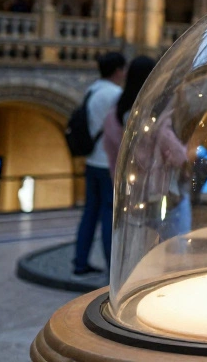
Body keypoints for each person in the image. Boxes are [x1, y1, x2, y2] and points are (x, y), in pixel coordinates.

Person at [72, 51, 126, 277]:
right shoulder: (115, 94)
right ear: (117, 71)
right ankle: (111, 267)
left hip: (92, 160)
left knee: (89, 213)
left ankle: (80, 261)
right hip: (107, 163)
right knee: (108, 214)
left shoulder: (92, 90)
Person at [103, 55, 159, 175]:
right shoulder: (151, 110)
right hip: (145, 180)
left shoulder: (117, 107)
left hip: (120, 176)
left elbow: (109, 145)